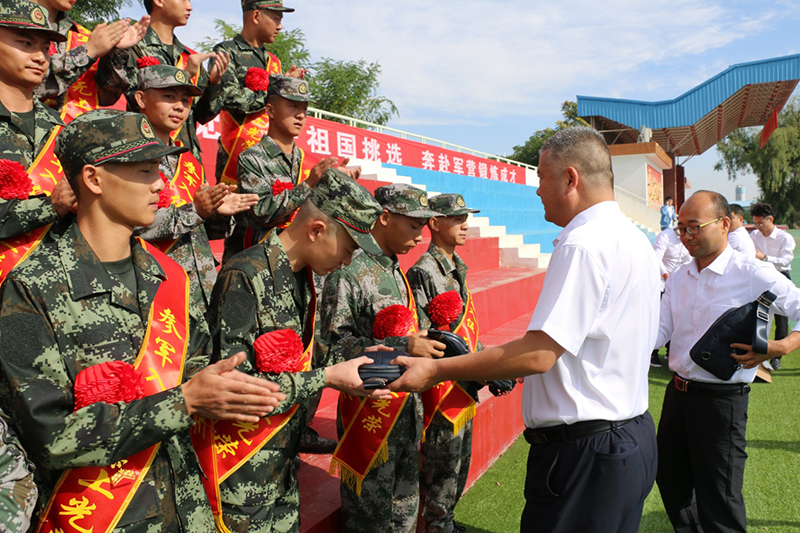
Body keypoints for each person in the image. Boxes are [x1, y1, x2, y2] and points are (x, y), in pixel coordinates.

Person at [0, 109, 285, 532]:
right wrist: (184, 402)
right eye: (145, 170)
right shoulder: (29, 290)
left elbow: (194, 364)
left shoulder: (167, 274)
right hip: (104, 516)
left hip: (187, 508)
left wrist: (224, 384)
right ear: (93, 179)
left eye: (159, 169)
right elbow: (48, 435)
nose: (160, 184)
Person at [390, 127, 660, 533]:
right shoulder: (633, 238)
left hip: (586, 453)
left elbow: (539, 354)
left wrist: (436, 370)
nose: (536, 190)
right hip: (625, 438)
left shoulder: (583, 244)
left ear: (570, 178)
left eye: (541, 177)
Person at [208, 169, 390, 532]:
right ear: (316, 230)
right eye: (349, 248)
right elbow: (235, 386)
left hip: (281, 464)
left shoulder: (303, 277)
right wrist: (327, 378)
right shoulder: (244, 276)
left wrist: (366, 359)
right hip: (243, 472)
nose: (348, 261)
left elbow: (310, 354)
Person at [654, 190, 800, 533]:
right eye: (680, 229)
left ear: (723, 224)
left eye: (694, 227)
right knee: (671, 480)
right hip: (678, 396)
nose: (686, 236)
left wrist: (781, 346)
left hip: (722, 402)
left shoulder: (751, 272)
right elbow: (660, 330)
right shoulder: (680, 276)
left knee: (719, 498)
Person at [319, 183, 446, 533]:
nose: (420, 237)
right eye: (413, 225)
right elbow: (330, 350)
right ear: (385, 217)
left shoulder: (393, 268)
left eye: (423, 227)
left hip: (405, 413)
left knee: (405, 514)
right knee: (369, 521)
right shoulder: (350, 269)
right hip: (370, 416)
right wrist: (404, 346)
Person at [132, 62, 257, 315]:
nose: (180, 106)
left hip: (200, 291)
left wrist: (217, 213)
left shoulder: (188, 161)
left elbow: (200, 229)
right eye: (169, 97)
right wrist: (196, 211)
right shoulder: (127, 158)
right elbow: (130, 224)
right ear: (141, 99)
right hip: (155, 289)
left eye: (185, 100)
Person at [406, 193, 483, 533]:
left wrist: (486, 364)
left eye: (466, 218)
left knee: (459, 459)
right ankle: (437, 525)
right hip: (443, 384)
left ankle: (445, 520)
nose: (465, 225)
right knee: (441, 462)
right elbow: (426, 335)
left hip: (463, 378)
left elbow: (467, 328)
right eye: (457, 218)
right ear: (434, 224)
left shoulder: (456, 266)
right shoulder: (423, 272)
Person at [224, 74, 344, 261]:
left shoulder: (307, 161)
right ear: (270, 111)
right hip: (267, 260)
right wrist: (308, 185)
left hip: (306, 261)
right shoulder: (252, 159)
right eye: (293, 106)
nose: (300, 115)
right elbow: (263, 212)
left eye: (304, 109)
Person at [0, 0, 76, 283]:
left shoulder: (63, 128)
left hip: (56, 290)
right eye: (25, 43)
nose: (40, 57)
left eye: (45, 47)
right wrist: (49, 206)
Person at [95, 0, 229, 152]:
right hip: (145, 150)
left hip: (185, 155)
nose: (189, 7)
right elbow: (122, 98)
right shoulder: (130, 46)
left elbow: (202, 115)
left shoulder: (188, 57)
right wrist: (184, 75)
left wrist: (214, 84)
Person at [212, 0, 305, 189]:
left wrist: (287, 88)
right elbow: (228, 96)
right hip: (237, 159)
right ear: (256, 16)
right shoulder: (227, 52)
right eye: (276, 19)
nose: (279, 26)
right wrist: (275, 88)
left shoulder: (273, 62)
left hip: (271, 160)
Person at [33, 0, 149, 121]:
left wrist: (114, 53)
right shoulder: (19, 25)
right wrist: (87, 52)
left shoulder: (81, 34)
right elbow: (31, 84)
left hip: (75, 130)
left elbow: (106, 97)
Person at [750, 202, 795, 370]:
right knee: (757, 314)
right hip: (761, 277)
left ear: (771, 219)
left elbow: (785, 261)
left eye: (761, 223)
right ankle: (757, 350)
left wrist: (765, 258)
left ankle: (776, 357)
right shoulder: (754, 235)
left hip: (781, 276)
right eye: (755, 223)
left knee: (781, 319)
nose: (758, 227)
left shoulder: (785, 238)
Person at [650, 226, 691, 367]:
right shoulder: (665, 236)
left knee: (676, 317)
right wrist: (665, 274)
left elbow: (688, 260)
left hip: (677, 284)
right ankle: (652, 352)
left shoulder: (688, 239)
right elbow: (656, 257)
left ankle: (670, 350)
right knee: (659, 318)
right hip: (661, 283)